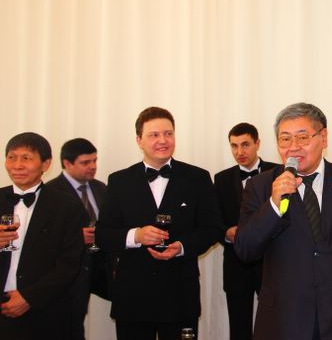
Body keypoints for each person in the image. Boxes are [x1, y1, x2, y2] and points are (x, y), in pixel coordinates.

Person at [235, 102, 332, 340]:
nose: (293, 147)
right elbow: (245, 249)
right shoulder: (260, 186)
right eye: (285, 139)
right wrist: (274, 205)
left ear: (324, 138)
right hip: (283, 321)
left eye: (302, 137)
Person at [95, 107, 223, 340]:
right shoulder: (119, 181)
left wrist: (181, 246)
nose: (163, 140)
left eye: (168, 133)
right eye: (154, 135)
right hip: (133, 297)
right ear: (139, 140)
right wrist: (136, 236)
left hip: (180, 294)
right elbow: (102, 235)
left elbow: (213, 229)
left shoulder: (198, 178)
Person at [0, 132, 86, 339]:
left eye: (26, 158)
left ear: (46, 164)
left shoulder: (67, 206)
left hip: (46, 310)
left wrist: (29, 298)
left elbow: (69, 264)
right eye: (11, 157)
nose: (17, 165)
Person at [214, 122, 277, 340]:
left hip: (272, 261)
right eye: (234, 146)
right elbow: (214, 220)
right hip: (236, 263)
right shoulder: (221, 179)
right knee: (238, 327)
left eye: (245, 144)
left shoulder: (278, 172)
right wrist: (226, 233)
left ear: (257, 143)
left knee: (275, 326)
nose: (239, 151)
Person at [47, 138, 110, 340]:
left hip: (99, 269)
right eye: (85, 162)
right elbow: (43, 236)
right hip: (69, 273)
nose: (93, 166)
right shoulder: (50, 192)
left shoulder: (101, 188)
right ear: (67, 163)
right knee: (69, 326)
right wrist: (76, 236)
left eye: (95, 160)